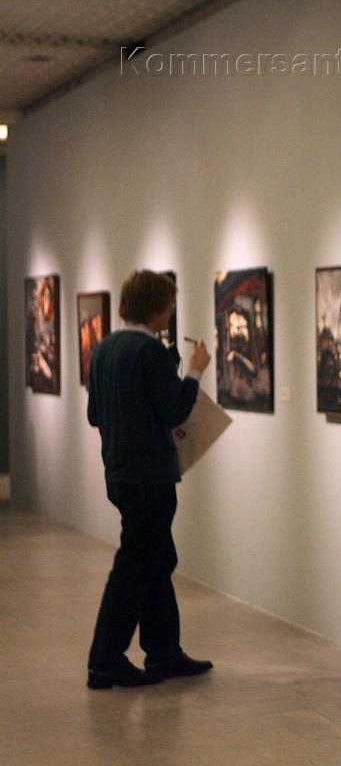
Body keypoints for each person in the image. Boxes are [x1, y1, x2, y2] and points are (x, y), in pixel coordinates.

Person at [85, 270, 214, 689]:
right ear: (157, 307)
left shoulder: (105, 348)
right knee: (135, 566)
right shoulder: (150, 351)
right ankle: (105, 660)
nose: (172, 311)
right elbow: (175, 410)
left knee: (157, 560)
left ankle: (164, 653)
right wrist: (194, 371)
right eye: (170, 304)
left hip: (120, 472)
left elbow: (94, 414)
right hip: (150, 477)